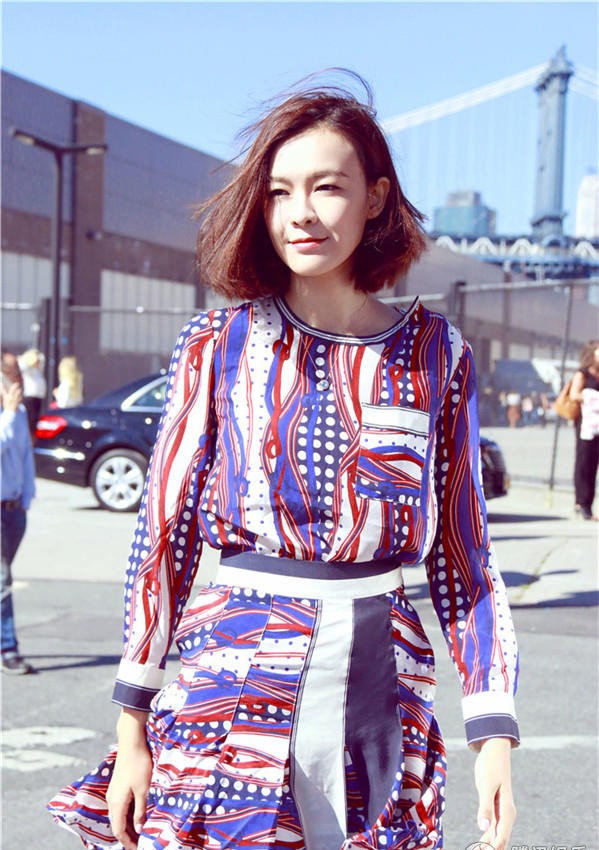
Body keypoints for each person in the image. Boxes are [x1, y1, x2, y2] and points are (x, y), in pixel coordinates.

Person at [47, 77, 519, 850]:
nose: (300, 211)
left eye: (327, 186)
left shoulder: (438, 353)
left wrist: (491, 728)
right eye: (278, 191)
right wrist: (132, 725)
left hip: (383, 684)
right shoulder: (217, 344)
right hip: (232, 680)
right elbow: (163, 535)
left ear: (374, 198)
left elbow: (465, 556)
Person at [1, 351, 36, 675]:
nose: (18, 380)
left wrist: (26, 497)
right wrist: (9, 414)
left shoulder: (20, 412)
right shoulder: (13, 413)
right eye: (12, 373)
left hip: (14, 510)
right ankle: (8, 648)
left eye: (19, 374)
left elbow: (25, 456)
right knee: (2, 580)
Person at [569, 340, 599, 520]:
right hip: (585, 425)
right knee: (584, 462)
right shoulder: (583, 374)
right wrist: (590, 397)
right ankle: (581, 503)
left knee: (594, 463)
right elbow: (574, 394)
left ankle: (588, 503)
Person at [18, 348, 47, 437]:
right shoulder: (28, 370)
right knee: (30, 421)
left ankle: (32, 437)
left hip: (38, 399)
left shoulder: (37, 370)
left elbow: (42, 358)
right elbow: (22, 364)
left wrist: (35, 354)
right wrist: (29, 358)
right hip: (30, 399)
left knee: (36, 421)